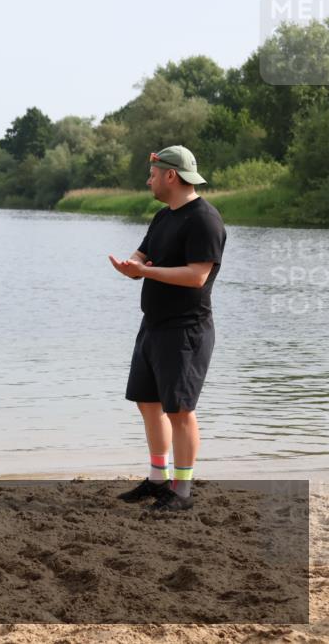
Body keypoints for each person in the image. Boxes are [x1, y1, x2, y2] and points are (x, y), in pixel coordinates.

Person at [110, 145, 226, 512]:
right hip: (153, 325)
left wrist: (144, 272)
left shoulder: (204, 219)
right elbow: (143, 254)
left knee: (179, 410)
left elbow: (197, 276)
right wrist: (134, 264)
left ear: (171, 176)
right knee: (148, 403)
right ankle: (158, 478)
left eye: (153, 174)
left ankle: (183, 490)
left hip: (186, 329)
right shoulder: (164, 216)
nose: (149, 180)